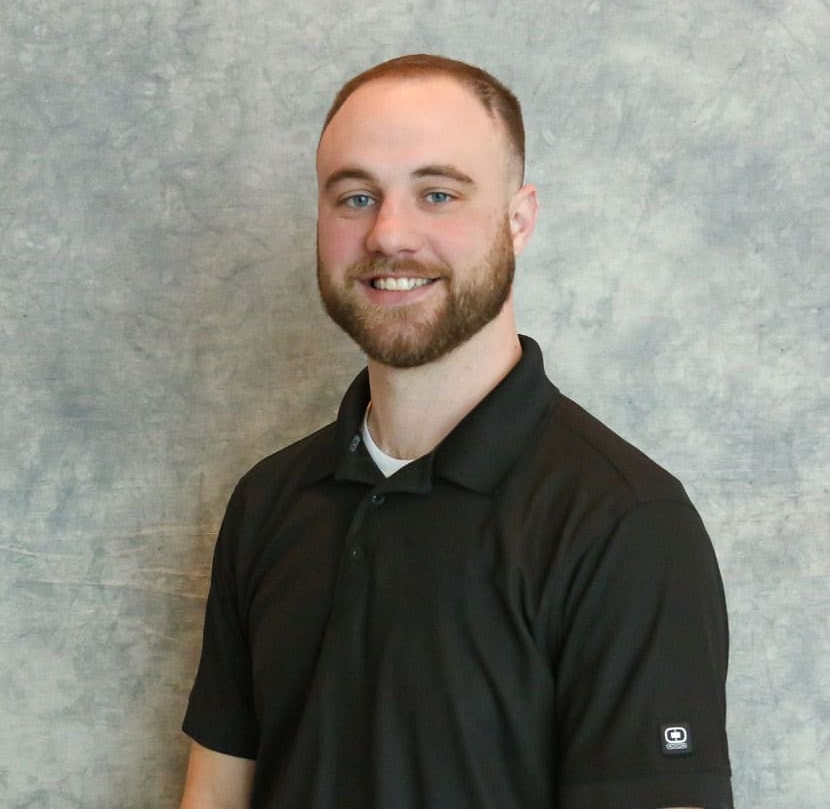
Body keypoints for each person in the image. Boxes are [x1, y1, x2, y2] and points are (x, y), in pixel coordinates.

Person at [179, 54, 732, 809]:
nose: (389, 233)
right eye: (355, 196)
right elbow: (214, 795)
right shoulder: (269, 502)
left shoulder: (623, 523)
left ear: (519, 219)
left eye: (437, 193)